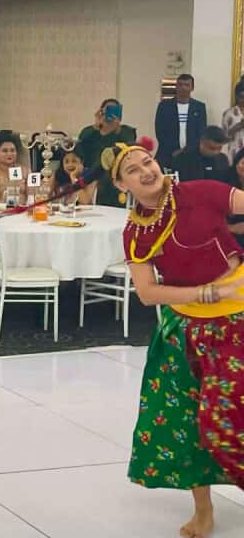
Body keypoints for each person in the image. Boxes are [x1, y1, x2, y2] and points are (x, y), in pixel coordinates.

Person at [107, 139, 244, 538]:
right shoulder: (135, 231)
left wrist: (224, 292)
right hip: (185, 329)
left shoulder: (201, 192)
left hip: (237, 316)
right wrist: (206, 294)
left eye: (147, 161)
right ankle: (203, 508)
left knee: (226, 418)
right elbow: (148, 292)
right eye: (133, 170)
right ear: (122, 185)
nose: (146, 171)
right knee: (186, 421)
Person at [77, 98, 137, 207]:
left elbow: (128, 148)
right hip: (91, 174)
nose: (110, 114)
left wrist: (116, 129)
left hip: (114, 176)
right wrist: (96, 127)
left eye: (114, 110)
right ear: (101, 112)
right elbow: (80, 146)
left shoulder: (126, 131)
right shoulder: (90, 131)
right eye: (107, 110)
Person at [155, 74, 208, 166]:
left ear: (192, 88)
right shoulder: (164, 106)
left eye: (187, 85)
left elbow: (201, 132)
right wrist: (173, 151)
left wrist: (186, 151)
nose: (183, 88)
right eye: (180, 84)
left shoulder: (199, 107)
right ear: (176, 87)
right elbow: (160, 131)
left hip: (192, 156)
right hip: (168, 155)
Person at [224, 82, 244, 160]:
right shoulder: (228, 113)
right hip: (235, 152)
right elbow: (224, 137)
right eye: (241, 97)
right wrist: (236, 128)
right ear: (236, 96)